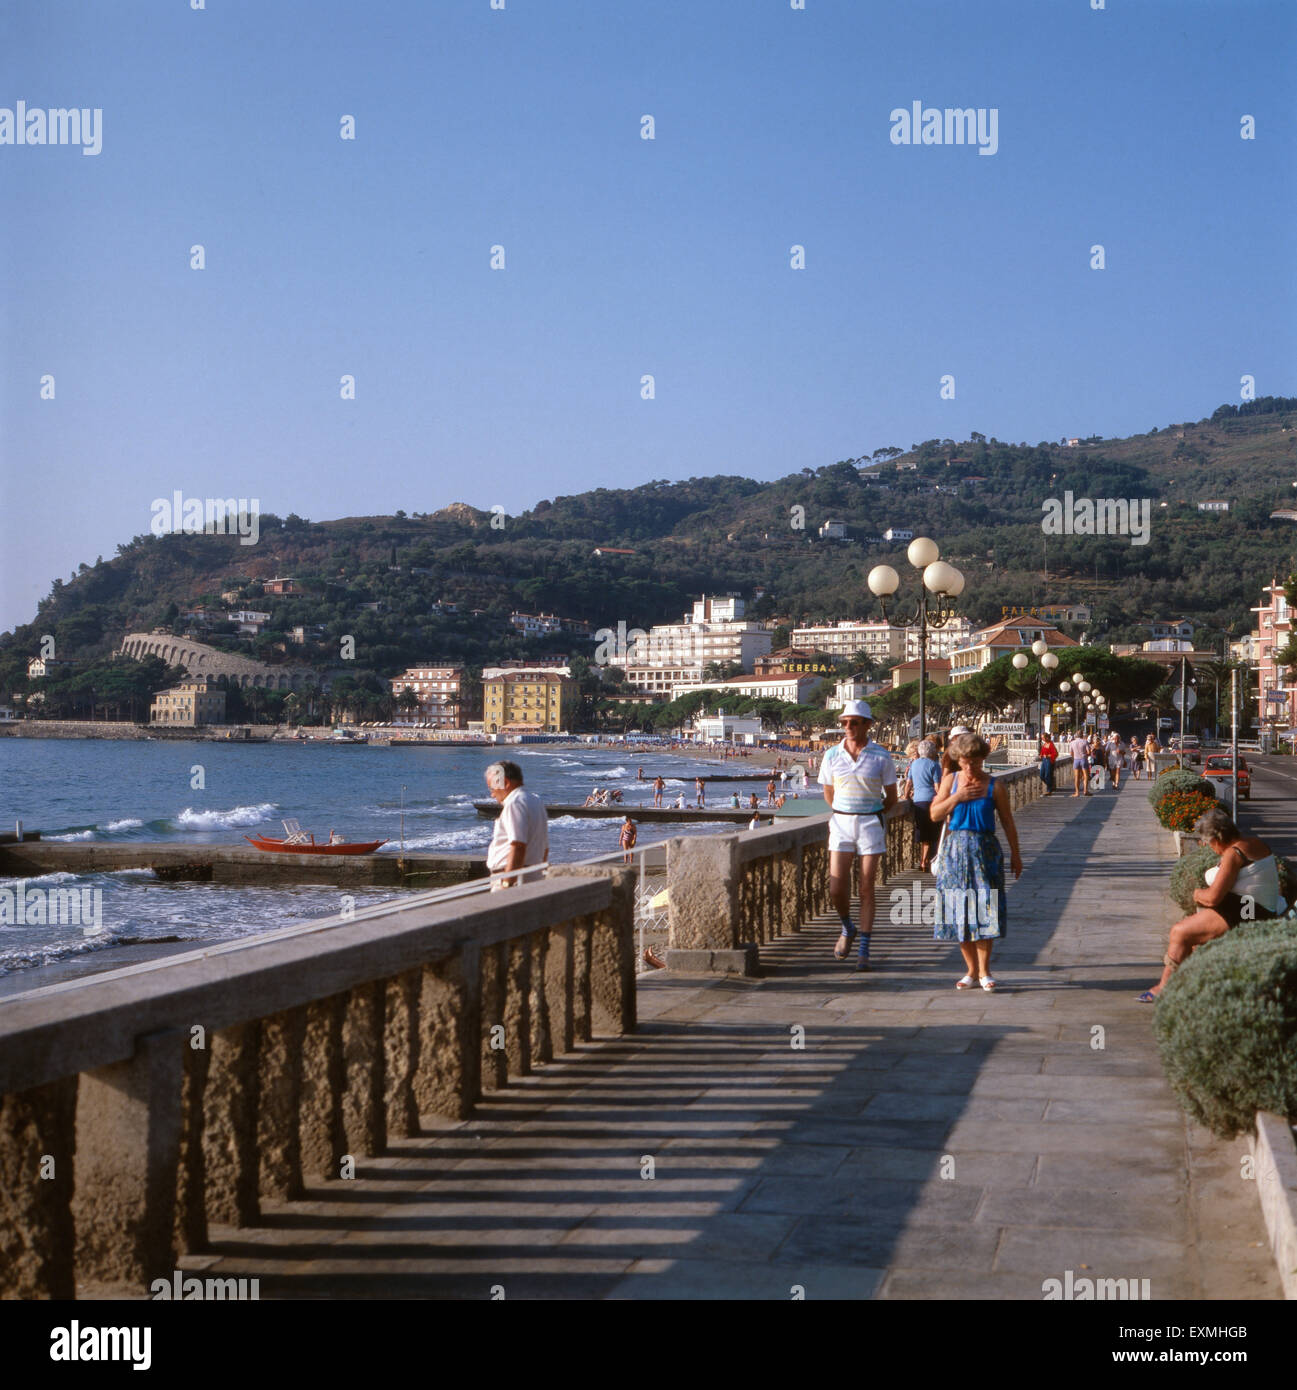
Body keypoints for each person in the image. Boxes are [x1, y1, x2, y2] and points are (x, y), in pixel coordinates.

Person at [1138, 808, 1282, 1001]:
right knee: (1192, 934)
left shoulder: (1234, 853)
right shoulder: (1254, 843)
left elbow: (1213, 898)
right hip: (1254, 909)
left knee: (1180, 932)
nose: (1209, 847)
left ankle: (1164, 988)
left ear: (1217, 839)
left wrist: (1197, 894)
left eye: (1208, 843)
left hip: (1247, 913)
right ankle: (1186, 985)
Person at [929, 731, 1023, 991]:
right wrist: (957, 797)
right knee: (959, 910)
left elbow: (1006, 821)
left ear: (983, 760)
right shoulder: (950, 782)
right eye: (967, 761)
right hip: (955, 852)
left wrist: (1016, 854)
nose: (971, 767)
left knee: (985, 908)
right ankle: (970, 970)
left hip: (985, 850)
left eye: (977, 762)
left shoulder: (995, 786)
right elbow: (935, 814)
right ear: (959, 760)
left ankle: (985, 971)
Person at [819, 701, 898, 972]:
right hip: (840, 823)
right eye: (844, 722)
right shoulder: (830, 755)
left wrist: (870, 812)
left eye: (854, 722)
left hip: (870, 824)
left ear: (868, 724)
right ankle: (847, 927)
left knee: (866, 888)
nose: (848, 727)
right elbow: (828, 792)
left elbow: (892, 797)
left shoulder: (881, 755)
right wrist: (845, 810)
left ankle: (864, 950)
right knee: (836, 888)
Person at [484, 760, 548, 889]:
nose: (492, 794)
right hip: (533, 874)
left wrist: (508, 883)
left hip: (514, 878)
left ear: (506, 783)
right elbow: (545, 847)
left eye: (492, 788)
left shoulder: (514, 803)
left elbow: (518, 845)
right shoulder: (535, 800)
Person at [900, 737, 942, 872]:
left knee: (923, 831)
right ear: (931, 752)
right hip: (931, 801)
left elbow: (908, 783)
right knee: (932, 832)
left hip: (918, 801)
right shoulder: (934, 765)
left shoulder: (914, 764)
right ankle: (925, 861)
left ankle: (924, 860)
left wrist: (905, 796)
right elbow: (937, 787)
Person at [1068, 729, 1090, 797]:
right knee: (1086, 776)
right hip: (1083, 759)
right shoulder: (1085, 741)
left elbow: (1071, 753)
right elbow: (1089, 752)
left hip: (1076, 760)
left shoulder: (1072, 742)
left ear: (1076, 735)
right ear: (1082, 735)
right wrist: (1085, 755)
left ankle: (1077, 792)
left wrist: (1075, 756)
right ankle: (1085, 790)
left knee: (1077, 777)